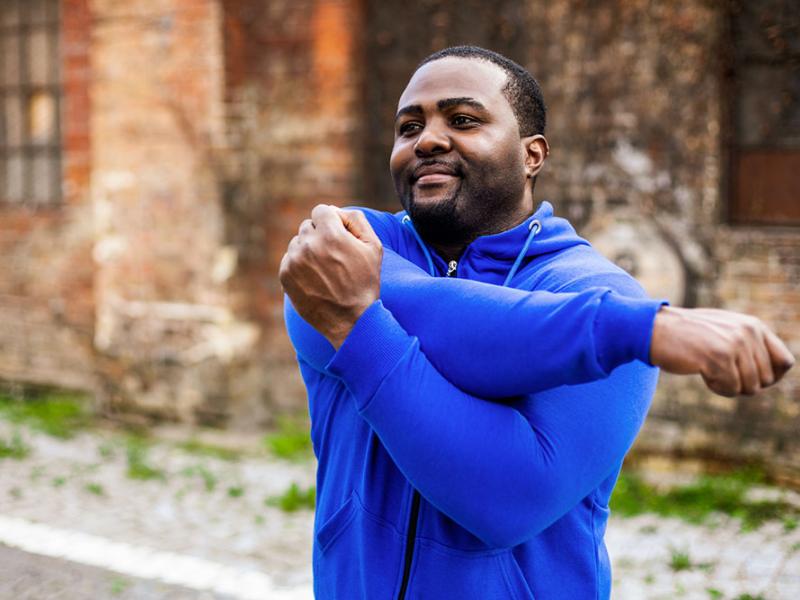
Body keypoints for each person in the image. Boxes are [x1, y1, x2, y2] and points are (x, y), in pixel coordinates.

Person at [279, 46, 794, 599]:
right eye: (409, 126)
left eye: (463, 119)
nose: (426, 139)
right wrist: (642, 333)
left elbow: (507, 497)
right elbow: (444, 316)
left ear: (532, 155)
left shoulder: (597, 293)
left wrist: (362, 328)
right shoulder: (338, 250)